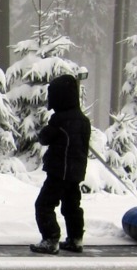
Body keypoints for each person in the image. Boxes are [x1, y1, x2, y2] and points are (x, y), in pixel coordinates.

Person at [30, 73, 92, 254]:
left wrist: (46, 129)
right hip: (75, 174)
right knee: (72, 207)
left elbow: (44, 138)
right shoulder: (83, 121)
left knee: (44, 205)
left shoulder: (60, 120)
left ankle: (50, 239)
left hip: (58, 173)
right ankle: (75, 239)